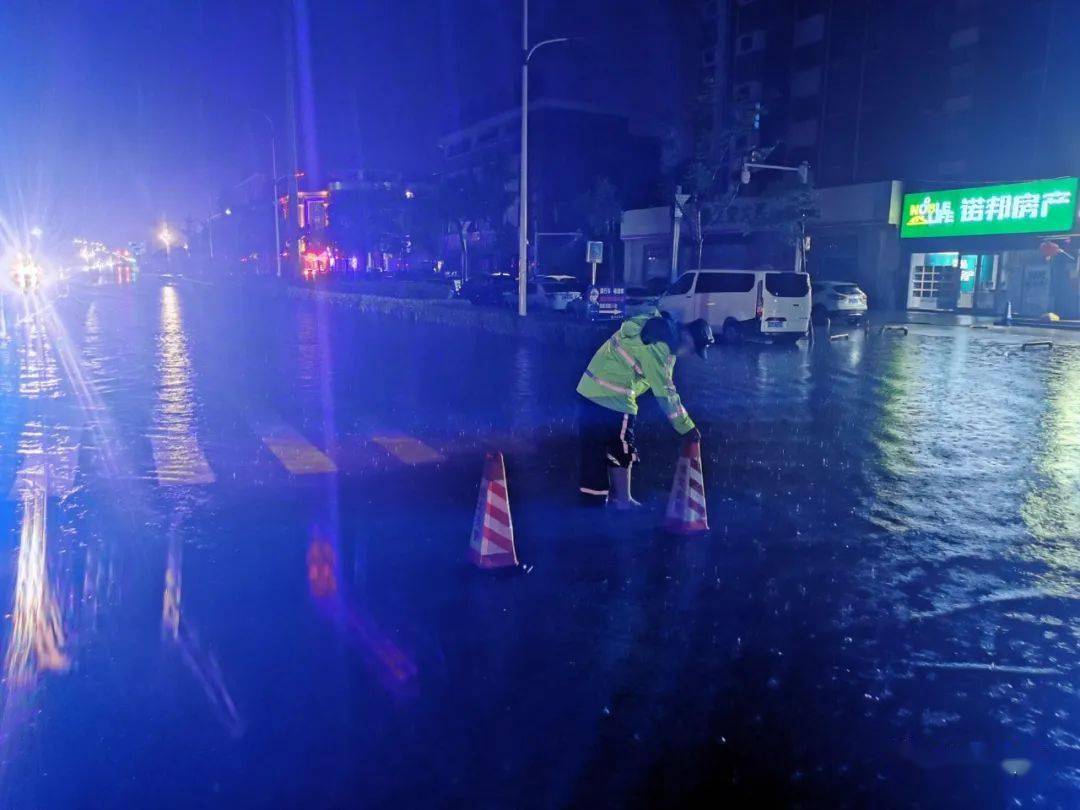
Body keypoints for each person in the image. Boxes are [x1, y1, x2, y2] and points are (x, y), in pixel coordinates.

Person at [576, 310, 713, 508]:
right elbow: (665, 393)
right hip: (615, 398)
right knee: (621, 447)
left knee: (592, 450)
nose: (691, 355)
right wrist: (687, 428)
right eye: (693, 349)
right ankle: (622, 501)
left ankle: (592, 505)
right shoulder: (660, 345)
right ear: (686, 336)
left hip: (588, 390)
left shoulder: (654, 328)